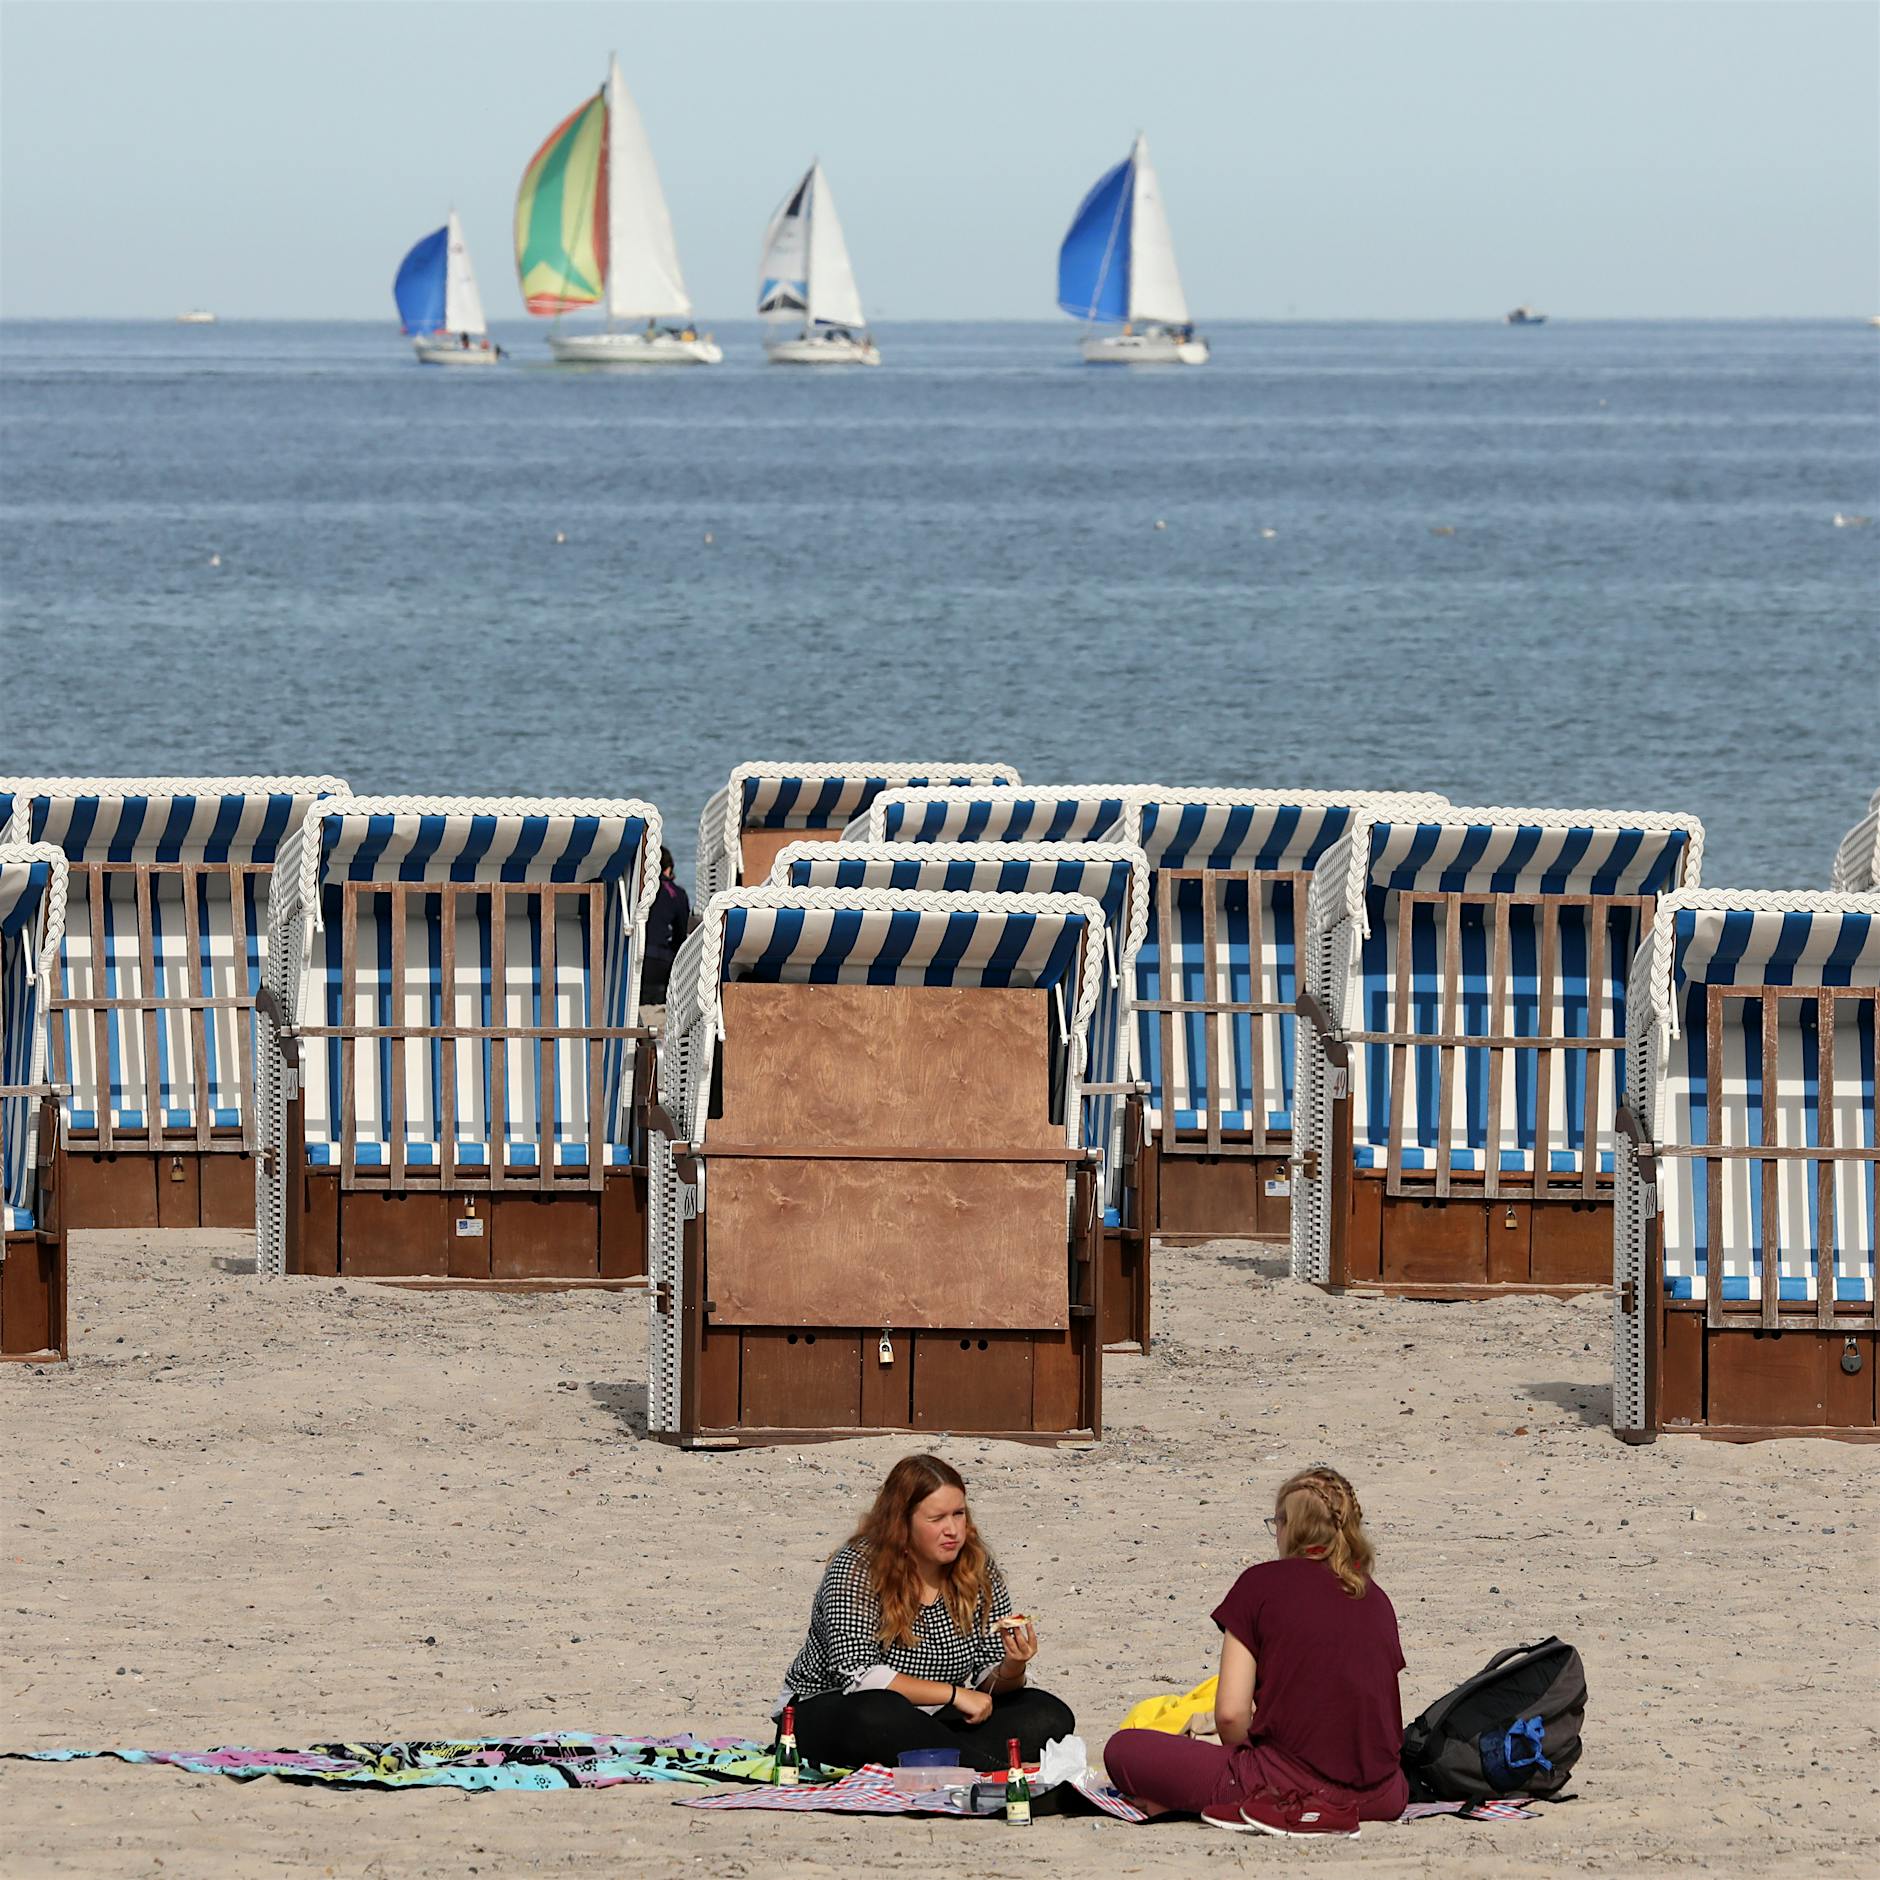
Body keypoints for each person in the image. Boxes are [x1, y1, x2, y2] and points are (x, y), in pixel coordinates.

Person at [1104, 1468, 1408, 1837]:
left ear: (1289, 1526)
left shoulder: (1260, 1583)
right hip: (1384, 1795)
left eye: (1276, 1523)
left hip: (1286, 1785)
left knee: (1124, 1749)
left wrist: (1242, 1764)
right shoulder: (1376, 1597)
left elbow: (1231, 1714)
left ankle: (1223, 1801)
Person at [777, 1453, 1075, 1773]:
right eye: (937, 1519)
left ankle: (942, 1757)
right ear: (902, 1522)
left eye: (959, 1514)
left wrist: (1013, 1666)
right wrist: (953, 1694)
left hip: (933, 1715)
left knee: (1047, 1714)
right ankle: (985, 1768)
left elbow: (985, 1683)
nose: (953, 1530)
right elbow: (857, 1674)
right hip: (834, 1709)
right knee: (880, 1711)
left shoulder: (976, 1566)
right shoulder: (857, 1567)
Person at [640, 848, 690, 1006]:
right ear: (668, 869)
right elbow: (680, 936)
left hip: (635, 960)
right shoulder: (677, 893)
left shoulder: (637, 889)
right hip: (662, 963)